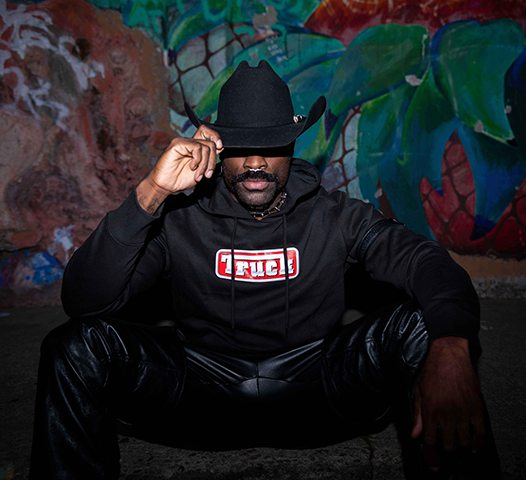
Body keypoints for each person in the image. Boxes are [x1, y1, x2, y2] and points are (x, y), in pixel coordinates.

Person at [30, 60, 499, 479]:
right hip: (200, 393)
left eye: (271, 144)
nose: (255, 162)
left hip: (318, 391)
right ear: (216, 147)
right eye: (240, 145)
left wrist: (452, 348)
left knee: (425, 326)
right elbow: (85, 301)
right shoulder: (179, 220)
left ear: (292, 144)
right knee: (72, 347)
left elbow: (425, 262)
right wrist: (152, 193)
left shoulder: (336, 216)